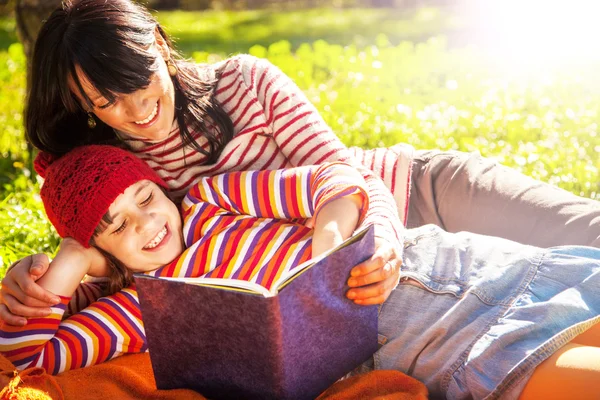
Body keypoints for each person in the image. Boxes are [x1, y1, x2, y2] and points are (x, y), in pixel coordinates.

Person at [2, 0, 600, 325]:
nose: (134, 112)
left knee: (584, 236)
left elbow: (350, 176)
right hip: (337, 284)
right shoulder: (110, 171)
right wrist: (35, 282)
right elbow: (122, 285)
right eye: (105, 102)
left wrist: (383, 244)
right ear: (82, 104)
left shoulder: (246, 81)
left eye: (140, 82)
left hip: (416, 194)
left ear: (159, 44)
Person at [2, 145, 599, 400]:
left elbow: (333, 181)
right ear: (99, 249)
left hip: (436, 260)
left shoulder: (215, 198)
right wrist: (70, 262)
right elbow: (31, 361)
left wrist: (327, 245)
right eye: (115, 226)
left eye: (144, 198)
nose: (147, 225)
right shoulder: (141, 307)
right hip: (429, 336)